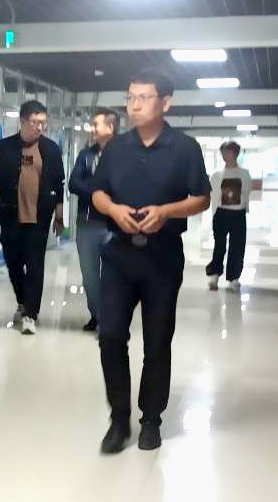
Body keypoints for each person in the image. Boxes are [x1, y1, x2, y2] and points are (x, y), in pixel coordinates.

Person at [90, 70, 211, 453]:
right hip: (119, 254)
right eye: (130, 97)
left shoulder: (184, 148)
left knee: (157, 341)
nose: (135, 105)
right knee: (110, 335)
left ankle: (151, 420)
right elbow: (97, 193)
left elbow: (201, 198)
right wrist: (114, 209)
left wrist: (166, 211)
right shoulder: (116, 148)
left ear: (166, 103)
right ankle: (118, 418)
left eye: (144, 97)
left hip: (162, 257)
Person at [0, 100, 65, 335]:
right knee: (13, 263)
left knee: (35, 264)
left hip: (39, 217)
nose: (40, 127)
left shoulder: (51, 149)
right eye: (35, 122)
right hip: (10, 215)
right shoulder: (5, 147)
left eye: (43, 123)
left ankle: (31, 313)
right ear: (22, 121)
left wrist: (59, 215)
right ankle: (22, 301)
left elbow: (58, 184)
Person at [69, 108, 119, 332]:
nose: (93, 128)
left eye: (96, 124)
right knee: (89, 276)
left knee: (112, 276)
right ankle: (97, 315)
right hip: (87, 223)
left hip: (113, 225)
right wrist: (98, 193)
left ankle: (110, 321)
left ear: (110, 127)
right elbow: (74, 183)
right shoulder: (85, 155)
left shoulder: (124, 155)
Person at [205, 141, 252, 292]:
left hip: (238, 213)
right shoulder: (216, 174)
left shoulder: (244, 174)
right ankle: (214, 275)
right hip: (221, 213)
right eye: (224, 153)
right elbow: (212, 194)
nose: (226, 155)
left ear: (236, 154)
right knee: (219, 245)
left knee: (237, 246)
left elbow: (247, 192)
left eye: (229, 152)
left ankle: (233, 278)